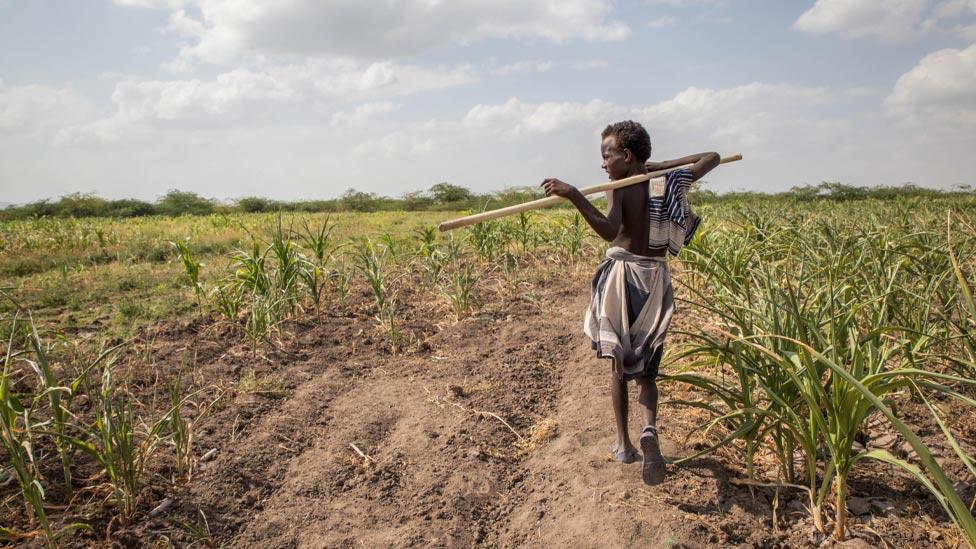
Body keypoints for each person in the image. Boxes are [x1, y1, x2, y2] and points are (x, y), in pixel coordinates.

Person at [541, 120, 719, 485]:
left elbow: (609, 230)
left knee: (619, 365)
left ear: (625, 155)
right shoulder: (666, 181)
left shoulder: (618, 187)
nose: (603, 164)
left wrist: (574, 194)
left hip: (623, 278)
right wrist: (660, 167)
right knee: (648, 368)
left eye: (607, 155)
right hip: (654, 279)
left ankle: (624, 444)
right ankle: (649, 428)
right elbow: (712, 156)